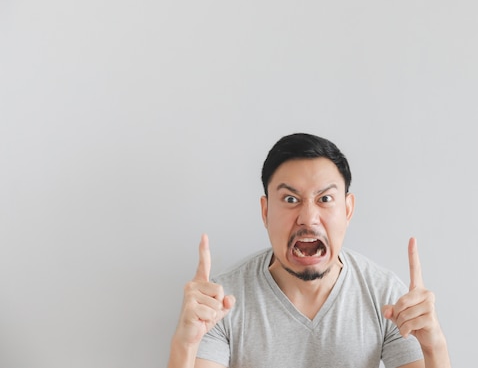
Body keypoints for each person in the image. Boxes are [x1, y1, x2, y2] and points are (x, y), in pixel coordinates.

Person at [168, 133, 451, 368]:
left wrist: (434, 346)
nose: (308, 217)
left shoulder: (387, 298)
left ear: (348, 209)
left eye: (325, 199)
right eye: (290, 199)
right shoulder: (220, 302)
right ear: (265, 212)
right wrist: (185, 344)